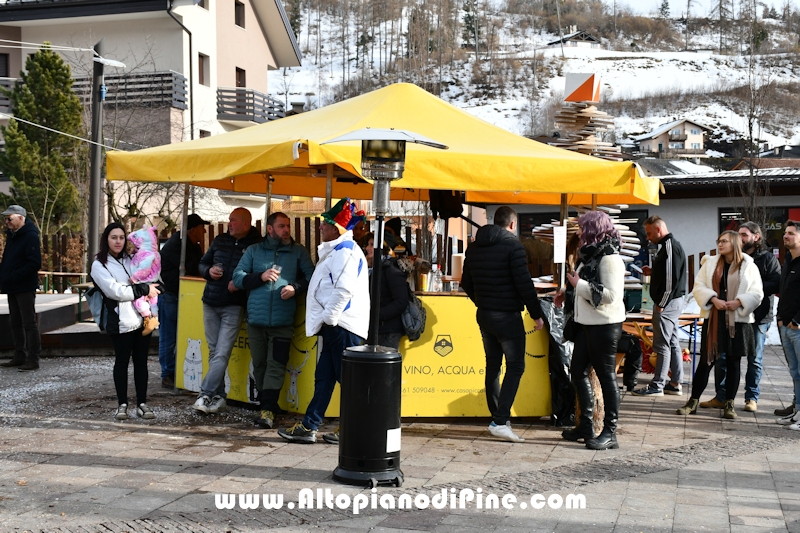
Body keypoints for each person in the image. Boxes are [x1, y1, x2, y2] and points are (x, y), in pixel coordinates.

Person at [278, 198, 370, 444]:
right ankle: (310, 425)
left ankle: (354, 428)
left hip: (341, 325)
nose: (321, 226)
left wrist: (329, 318)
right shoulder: (340, 251)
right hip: (337, 325)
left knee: (346, 379)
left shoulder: (345, 253)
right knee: (325, 377)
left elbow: (343, 290)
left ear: (337, 229)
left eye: (326, 223)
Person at [462, 206, 544, 443]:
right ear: (512, 224)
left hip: (485, 315)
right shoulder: (513, 246)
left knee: (493, 366)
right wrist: (536, 314)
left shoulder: (475, 247)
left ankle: (497, 417)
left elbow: (466, 281)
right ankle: (500, 420)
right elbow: (524, 284)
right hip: (507, 317)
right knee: (516, 366)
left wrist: (482, 300)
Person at [233, 212, 315, 430]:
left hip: (283, 321)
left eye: (287, 226)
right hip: (256, 321)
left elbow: (312, 276)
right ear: (270, 229)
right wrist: (260, 276)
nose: (286, 230)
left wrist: (294, 287)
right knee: (259, 365)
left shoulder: (298, 252)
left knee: (276, 366)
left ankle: (267, 409)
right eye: (281, 226)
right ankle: (267, 405)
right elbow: (237, 277)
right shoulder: (254, 251)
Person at [556, 211, 626, 450]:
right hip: (587, 324)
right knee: (577, 372)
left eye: (582, 227)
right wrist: (568, 292)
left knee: (607, 378)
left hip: (605, 326)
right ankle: (585, 425)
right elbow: (586, 287)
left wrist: (579, 285)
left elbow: (611, 296)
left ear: (593, 230)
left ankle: (610, 432)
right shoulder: (591, 254)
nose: (578, 232)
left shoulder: (610, 258)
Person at [676, 230, 763, 419]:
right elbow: (698, 286)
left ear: (734, 243)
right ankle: (693, 401)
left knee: (733, 362)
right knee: (706, 361)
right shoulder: (710, 263)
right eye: (719, 241)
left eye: (724, 241)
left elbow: (757, 292)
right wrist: (713, 299)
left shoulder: (748, 265)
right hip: (714, 318)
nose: (720, 244)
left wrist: (739, 301)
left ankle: (729, 403)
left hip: (738, 321)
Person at [704, 222, 780, 412]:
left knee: (754, 359)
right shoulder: (728, 259)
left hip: (759, 317)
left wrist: (750, 287)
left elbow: (776, 283)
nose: (741, 238)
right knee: (723, 357)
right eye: (739, 234)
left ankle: (751, 398)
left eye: (744, 235)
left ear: (756, 237)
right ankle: (721, 396)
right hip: (730, 316)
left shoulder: (767, 259)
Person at [192, 208, 262, 414]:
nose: (229, 223)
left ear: (245, 224)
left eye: (232, 220)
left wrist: (241, 283)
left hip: (234, 304)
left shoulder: (256, 245)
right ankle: (219, 397)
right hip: (211, 301)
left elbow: (258, 275)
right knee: (215, 352)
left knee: (221, 352)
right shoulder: (220, 240)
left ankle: (204, 393)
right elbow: (203, 263)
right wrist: (208, 271)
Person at [91, 222, 162, 420]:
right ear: (106, 239)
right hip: (120, 320)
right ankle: (122, 403)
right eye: (114, 237)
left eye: (121, 237)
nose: (118, 241)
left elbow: (150, 278)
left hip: (142, 319)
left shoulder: (132, 259)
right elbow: (115, 291)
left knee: (141, 363)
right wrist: (144, 289)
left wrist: (155, 287)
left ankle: (142, 403)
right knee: (121, 362)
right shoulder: (99, 264)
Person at [632, 216, 688, 397]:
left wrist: (661, 304)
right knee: (671, 341)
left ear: (658, 230)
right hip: (672, 301)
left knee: (662, 343)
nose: (647, 238)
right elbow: (668, 273)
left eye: (649, 233)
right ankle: (675, 382)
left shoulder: (670, 247)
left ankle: (657, 385)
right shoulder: (667, 247)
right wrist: (653, 271)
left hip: (668, 302)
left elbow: (671, 280)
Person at [158, 213, 209, 388]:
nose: (204, 231)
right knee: (169, 336)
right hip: (171, 295)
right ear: (193, 230)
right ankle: (167, 373)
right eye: (202, 227)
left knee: (177, 335)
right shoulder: (179, 245)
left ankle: (173, 372)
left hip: (182, 296)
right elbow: (193, 267)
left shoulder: (191, 244)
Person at [0, 205, 42, 371]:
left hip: (24, 286)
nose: (7, 221)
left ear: (20, 218)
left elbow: (34, 263)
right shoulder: (12, 236)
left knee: (28, 323)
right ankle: (19, 355)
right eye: (5, 218)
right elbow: (8, 260)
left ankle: (33, 358)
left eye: (9, 218)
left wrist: (14, 276)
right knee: (15, 322)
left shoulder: (30, 236)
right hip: (12, 286)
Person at [359, 232, 410, 349]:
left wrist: (377, 315)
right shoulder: (369, 269)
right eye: (367, 245)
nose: (367, 248)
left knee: (382, 366)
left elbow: (401, 301)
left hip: (388, 330)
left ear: (382, 247)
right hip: (372, 328)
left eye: (371, 245)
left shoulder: (391, 269)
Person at [776, 221, 800, 428]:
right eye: (785, 233)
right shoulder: (788, 261)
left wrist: (797, 321)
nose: (786, 236)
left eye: (791, 233)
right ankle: (798, 412)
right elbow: (784, 293)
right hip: (786, 326)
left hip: (797, 328)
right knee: (795, 373)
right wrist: (780, 318)